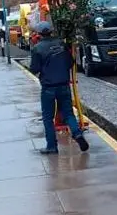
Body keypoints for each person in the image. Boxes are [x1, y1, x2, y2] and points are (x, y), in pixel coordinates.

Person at [29, 21, 89, 154]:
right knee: (68, 113)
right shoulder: (61, 44)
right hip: (64, 85)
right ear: (51, 31)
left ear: (39, 34)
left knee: (47, 117)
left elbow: (34, 68)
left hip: (48, 87)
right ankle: (77, 134)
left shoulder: (37, 48)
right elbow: (70, 62)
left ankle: (51, 146)